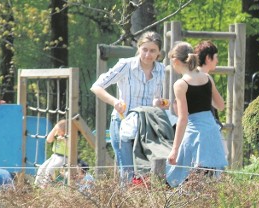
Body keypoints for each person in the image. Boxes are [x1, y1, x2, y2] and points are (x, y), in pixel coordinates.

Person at [91, 31, 166, 182]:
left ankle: (145, 204)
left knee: (148, 171)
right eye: (144, 49)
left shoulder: (162, 70)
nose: (147, 54)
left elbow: (162, 99)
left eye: (152, 51)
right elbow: (97, 86)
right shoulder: (126, 65)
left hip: (147, 125)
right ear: (139, 48)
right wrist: (115, 102)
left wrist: (160, 102)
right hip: (123, 122)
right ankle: (125, 202)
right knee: (128, 170)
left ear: (159, 53)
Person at [165, 42, 228, 187]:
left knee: (180, 176)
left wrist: (174, 150)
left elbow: (183, 118)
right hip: (211, 131)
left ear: (175, 61)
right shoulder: (207, 78)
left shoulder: (180, 84)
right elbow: (221, 105)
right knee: (211, 179)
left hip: (194, 132)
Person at [35, 119, 68, 187]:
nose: (58, 133)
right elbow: (49, 140)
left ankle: (46, 186)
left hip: (63, 157)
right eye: (57, 131)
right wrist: (55, 128)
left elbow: (70, 146)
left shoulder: (68, 137)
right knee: (42, 168)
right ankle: (37, 185)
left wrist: (64, 139)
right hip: (54, 156)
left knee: (50, 169)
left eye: (59, 131)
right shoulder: (56, 134)